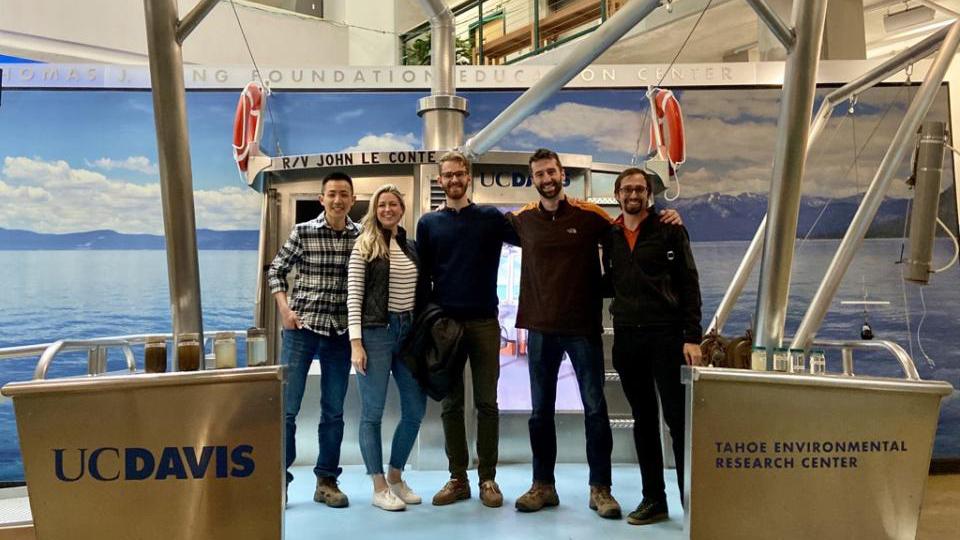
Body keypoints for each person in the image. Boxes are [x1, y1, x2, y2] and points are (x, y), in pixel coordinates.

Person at [507, 148, 681, 519]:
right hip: (540, 329)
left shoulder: (591, 216)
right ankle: (543, 485)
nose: (546, 179)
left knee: (595, 410)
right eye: (539, 174)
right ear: (533, 179)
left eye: (551, 172)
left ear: (562, 175)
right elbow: (480, 230)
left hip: (582, 328)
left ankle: (600, 488)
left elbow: (628, 228)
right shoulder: (522, 219)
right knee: (540, 413)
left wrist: (667, 215)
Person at [600, 168, 703, 526]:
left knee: (677, 421)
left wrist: (692, 337)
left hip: (667, 337)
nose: (633, 194)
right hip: (628, 338)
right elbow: (609, 282)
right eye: (627, 189)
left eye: (639, 189)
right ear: (617, 194)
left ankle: (693, 503)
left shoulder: (670, 229)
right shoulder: (610, 235)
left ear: (648, 194)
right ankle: (654, 500)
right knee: (643, 421)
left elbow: (689, 283)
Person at [416, 151, 518, 508]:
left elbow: (533, 235)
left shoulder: (490, 218)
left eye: (459, 174)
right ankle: (457, 478)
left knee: (487, 403)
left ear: (468, 177)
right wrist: (426, 324)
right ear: (440, 180)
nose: (454, 180)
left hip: (484, 322)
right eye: (448, 175)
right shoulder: (429, 224)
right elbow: (422, 276)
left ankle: (487, 477)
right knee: (451, 403)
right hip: (445, 326)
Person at [268, 171, 358, 508]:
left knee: (333, 411)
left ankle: (326, 482)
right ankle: (279, 480)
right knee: (287, 410)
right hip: (301, 330)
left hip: (339, 334)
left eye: (344, 194)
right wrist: (284, 310)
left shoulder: (361, 237)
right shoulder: (303, 232)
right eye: (332, 194)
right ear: (322, 199)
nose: (338, 200)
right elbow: (276, 270)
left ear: (352, 199)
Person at [347, 183, 427, 512]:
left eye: (393, 204)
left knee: (415, 410)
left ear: (401, 209)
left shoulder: (410, 246)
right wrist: (356, 344)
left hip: (408, 334)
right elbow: (353, 297)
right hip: (375, 334)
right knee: (372, 414)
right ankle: (379, 486)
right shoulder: (364, 245)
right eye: (382, 205)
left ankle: (395, 476)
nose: (387, 209)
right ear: (374, 210)